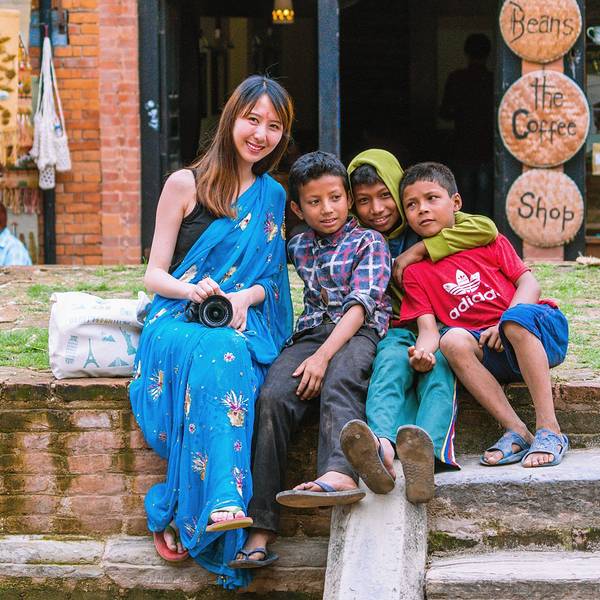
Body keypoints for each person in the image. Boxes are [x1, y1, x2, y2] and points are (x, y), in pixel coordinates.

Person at [129, 75, 294, 589]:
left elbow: (272, 282)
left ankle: (219, 504)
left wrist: (244, 298)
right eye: (253, 119)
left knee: (230, 352)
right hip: (177, 320)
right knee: (222, 352)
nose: (261, 134)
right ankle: (216, 500)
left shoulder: (272, 195)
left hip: (235, 323)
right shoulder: (185, 184)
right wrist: (191, 289)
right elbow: (154, 275)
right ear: (231, 119)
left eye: (274, 126)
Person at [231, 151, 392, 568]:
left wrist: (322, 357)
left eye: (336, 198)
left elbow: (360, 306)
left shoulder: (370, 242)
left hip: (358, 331)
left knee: (340, 378)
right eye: (315, 202)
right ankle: (261, 525)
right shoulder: (298, 245)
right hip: (309, 334)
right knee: (272, 397)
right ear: (298, 209)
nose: (327, 209)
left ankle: (338, 473)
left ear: (348, 199)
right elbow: (254, 259)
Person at [340, 149, 498, 503]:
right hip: (400, 328)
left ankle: (427, 455)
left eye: (386, 195)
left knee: (438, 370)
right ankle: (381, 447)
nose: (377, 209)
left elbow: (485, 228)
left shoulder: (426, 223)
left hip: (443, 325)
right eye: (364, 201)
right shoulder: (359, 239)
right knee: (389, 366)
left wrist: (420, 250)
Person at [398, 162, 569, 470]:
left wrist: (505, 321)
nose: (422, 209)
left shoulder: (487, 240)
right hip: (490, 350)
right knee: (452, 340)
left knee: (516, 322)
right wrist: (422, 352)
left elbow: (530, 283)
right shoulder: (415, 273)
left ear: (456, 203)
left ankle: (550, 429)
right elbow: (429, 329)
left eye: (432, 198)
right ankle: (517, 430)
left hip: (538, 335)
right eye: (412, 204)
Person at [439, 33, 494, 216]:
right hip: (487, 147)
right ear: (488, 53)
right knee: (485, 200)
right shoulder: (493, 80)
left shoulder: (456, 78)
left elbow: (444, 113)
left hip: (463, 146)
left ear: (466, 52)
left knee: (463, 200)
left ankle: (465, 231)